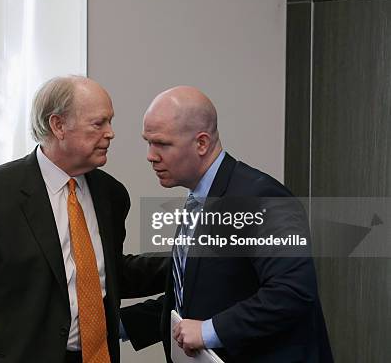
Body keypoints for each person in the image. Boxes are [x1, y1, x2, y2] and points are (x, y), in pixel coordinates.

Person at [0, 75, 166, 363]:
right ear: (58, 125)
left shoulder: (112, 195)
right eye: (98, 123)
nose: (111, 133)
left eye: (110, 122)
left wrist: (185, 260)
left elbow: (106, 273)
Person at [121, 86, 333, 362]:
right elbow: (197, 295)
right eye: (148, 142)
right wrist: (121, 326)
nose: (151, 155)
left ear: (202, 143)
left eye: (162, 144)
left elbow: (292, 292)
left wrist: (210, 331)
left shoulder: (261, 197)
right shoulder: (200, 198)